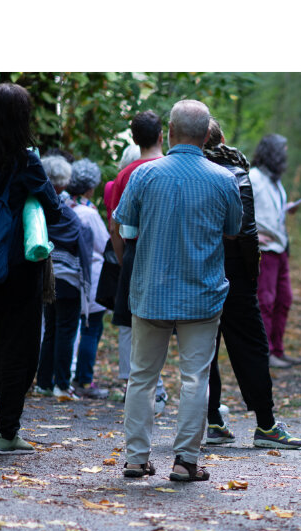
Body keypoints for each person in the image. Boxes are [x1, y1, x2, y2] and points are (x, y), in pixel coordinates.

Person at [113, 99, 243, 481]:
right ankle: (186, 461)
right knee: (194, 379)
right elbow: (233, 230)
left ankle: (136, 459)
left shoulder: (143, 176)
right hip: (202, 295)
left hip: (150, 292)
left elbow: (126, 229)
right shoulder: (223, 179)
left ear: (168, 132)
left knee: (141, 378)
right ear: (207, 136)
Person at [0, 82, 63, 454]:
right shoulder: (25, 161)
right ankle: (7, 433)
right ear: (23, 120)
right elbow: (53, 209)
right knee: (17, 350)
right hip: (19, 270)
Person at [202, 119, 301, 450]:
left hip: (198, 269)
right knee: (252, 347)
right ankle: (265, 424)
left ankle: (213, 421)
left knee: (205, 349)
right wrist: (251, 273)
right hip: (232, 270)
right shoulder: (235, 169)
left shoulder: (176, 170)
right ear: (222, 139)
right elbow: (246, 229)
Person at [105, 110, 168, 413]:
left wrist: (122, 260)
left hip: (135, 254)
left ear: (132, 138)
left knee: (132, 323)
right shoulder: (172, 168)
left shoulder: (124, 175)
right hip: (170, 257)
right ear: (162, 135)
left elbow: (116, 227)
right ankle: (159, 386)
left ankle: (138, 386)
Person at [34, 155, 93, 400]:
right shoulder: (67, 210)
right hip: (68, 277)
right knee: (67, 331)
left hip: (46, 275)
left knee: (50, 330)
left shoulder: (38, 206)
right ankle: (61, 384)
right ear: (66, 179)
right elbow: (82, 239)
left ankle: (43, 383)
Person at [249, 133, 301, 369]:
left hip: (280, 248)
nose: (285, 156)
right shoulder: (254, 178)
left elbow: (271, 211)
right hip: (265, 250)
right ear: (272, 152)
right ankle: (265, 352)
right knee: (266, 301)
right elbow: (241, 210)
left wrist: (287, 208)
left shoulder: (275, 181)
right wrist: (253, 235)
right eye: (283, 151)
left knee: (284, 299)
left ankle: (278, 350)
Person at [67, 159, 110, 399]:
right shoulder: (90, 213)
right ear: (90, 187)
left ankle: (59, 376)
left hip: (69, 274)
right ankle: (84, 379)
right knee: (92, 329)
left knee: (66, 327)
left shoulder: (66, 206)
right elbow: (104, 244)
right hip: (91, 276)